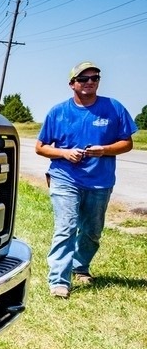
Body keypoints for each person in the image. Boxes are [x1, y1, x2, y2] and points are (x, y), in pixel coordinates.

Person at [35, 61, 137, 298]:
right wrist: (64, 153)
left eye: (95, 78)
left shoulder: (114, 108)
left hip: (100, 180)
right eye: (83, 78)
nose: (90, 82)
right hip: (65, 177)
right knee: (66, 227)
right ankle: (59, 280)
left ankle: (80, 266)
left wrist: (105, 149)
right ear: (72, 84)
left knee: (92, 231)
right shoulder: (58, 112)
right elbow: (41, 148)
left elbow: (127, 143)